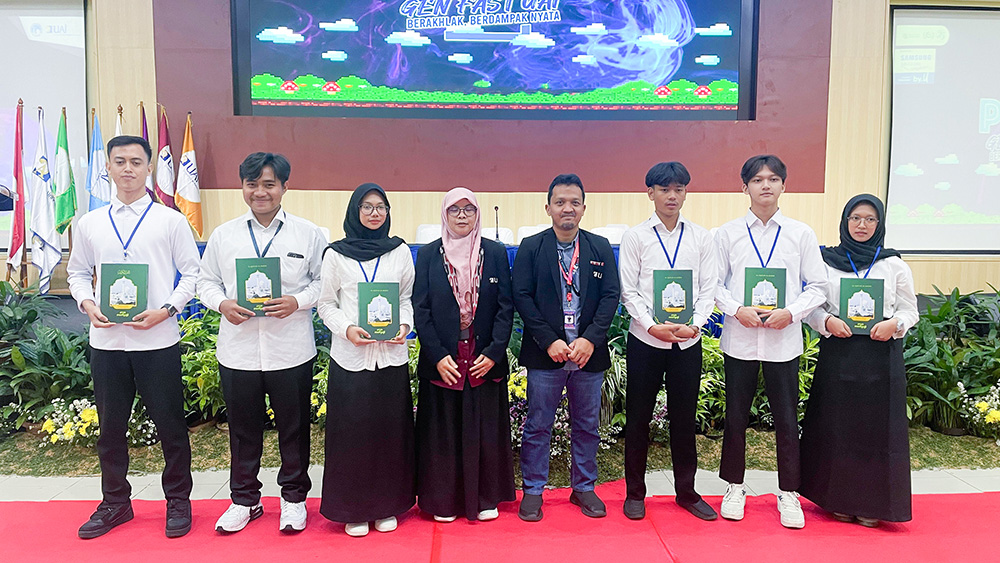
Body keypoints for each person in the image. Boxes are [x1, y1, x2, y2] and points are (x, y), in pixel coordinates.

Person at [67, 135, 200, 539]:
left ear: (149, 168)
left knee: (170, 426)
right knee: (110, 428)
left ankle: (178, 500)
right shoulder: (89, 223)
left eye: (136, 162)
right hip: (107, 343)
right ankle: (115, 502)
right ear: (108, 167)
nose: (128, 169)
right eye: (120, 161)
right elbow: (77, 273)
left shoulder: (170, 220)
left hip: (157, 340)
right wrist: (88, 303)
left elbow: (192, 273)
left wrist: (167, 310)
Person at [198, 152, 325, 533]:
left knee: (294, 429)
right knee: (242, 431)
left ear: (285, 187)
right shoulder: (224, 235)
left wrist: (297, 301)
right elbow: (206, 281)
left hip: (291, 350)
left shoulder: (308, 233)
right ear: (242, 187)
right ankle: (244, 500)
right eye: (252, 184)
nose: (260, 192)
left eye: (269, 184)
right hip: (238, 350)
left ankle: (294, 499)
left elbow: (324, 282)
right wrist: (222, 304)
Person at [714, 155, 828, 529]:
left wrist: (791, 312)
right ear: (744, 187)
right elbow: (712, 284)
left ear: (783, 185)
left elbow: (819, 285)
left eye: (773, 179)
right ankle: (734, 486)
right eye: (758, 179)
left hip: (783, 340)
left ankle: (789, 492)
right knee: (735, 417)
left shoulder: (801, 234)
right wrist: (736, 309)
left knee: (786, 419)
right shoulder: (727, 234)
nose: (766, 185)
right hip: (741, 338)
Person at [799, 194, 917, 527]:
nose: (861, 225)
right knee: (837, 427)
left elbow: (910, 310)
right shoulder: (826, 262)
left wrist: (895, 324)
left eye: (869, 219)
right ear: (845, 222)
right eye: (855, 218)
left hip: (881, 357)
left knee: (877, 431)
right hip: (840, 354)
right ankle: (836, 499)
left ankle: (872, 505)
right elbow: (811, 308)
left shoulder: (894, 264)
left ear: (879, 224)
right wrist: (826, 322)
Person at [512, 173, 620, 522]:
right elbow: (522, 296)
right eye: (560, 202)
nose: (567, 208)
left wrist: (590, 339)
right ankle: (533, 490)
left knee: (587, 425)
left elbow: (611, 296)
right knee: (538, 424)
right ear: (548, 208)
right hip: (546, 355)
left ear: (584, 208)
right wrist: (549, 340)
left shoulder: (599, 246)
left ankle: (584, 487)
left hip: (588, 354)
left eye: (574, 202)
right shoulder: (532, 246)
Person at [618, 162, 719, 521]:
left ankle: (687, 493)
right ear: (651, 193)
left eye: (678, 189)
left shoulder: (701, 238)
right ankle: (635, 493)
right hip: (646, 341)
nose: (672, 196)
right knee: (638, 418)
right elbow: (629, 291)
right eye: (664, 189)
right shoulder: (636, 237)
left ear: (686, 192)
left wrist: (696, 324)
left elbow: (708, 288)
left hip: (687, 343)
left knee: (683, 419)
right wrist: (651, 327)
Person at [317, 183, 415, 537]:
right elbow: (325, 304)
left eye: (381, 207)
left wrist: (404, 325)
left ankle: (388, 506)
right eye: (367, 206)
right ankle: (354, 510)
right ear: (354, 210)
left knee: (390, 434)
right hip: (351, 359)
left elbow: (406, 299)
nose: (375, 213)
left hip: (390, 358)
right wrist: (347, 329)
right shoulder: (335, 254)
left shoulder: (399, 251)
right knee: (352, 435)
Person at [413, 187, 516, 522]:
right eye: (454, 209)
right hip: (443, 356)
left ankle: (485, 498)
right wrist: (437, 354)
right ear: (444, 214)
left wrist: (495, 351)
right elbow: (420, 308)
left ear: (477, 214)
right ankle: (443, 502)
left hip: (483, 354)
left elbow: (505, 307)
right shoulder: (429, 254)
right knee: (443, 430)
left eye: (468, 209)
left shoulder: (494, 252)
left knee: (483, 427)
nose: (461, 215)